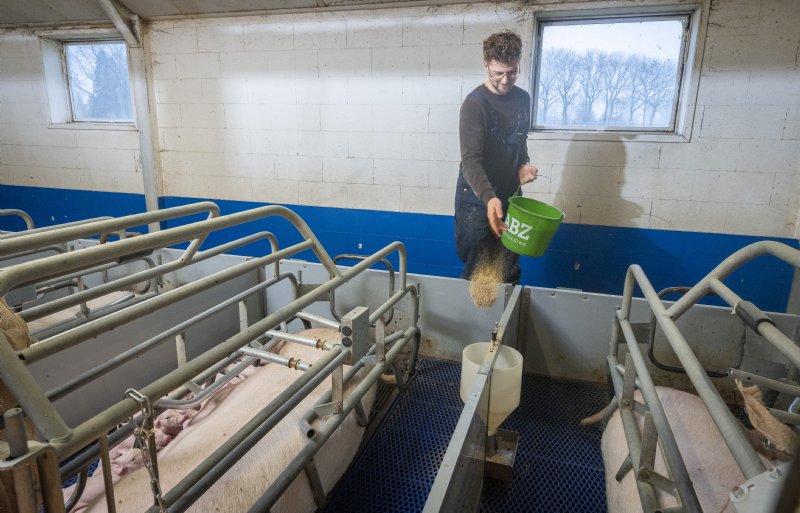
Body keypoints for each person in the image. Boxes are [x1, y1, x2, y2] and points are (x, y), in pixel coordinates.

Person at [455, 30, 538, 284]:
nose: (505, 80)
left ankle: (506, 323)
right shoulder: (475, 104)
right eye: (498, 73)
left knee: (508, 267)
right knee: (478, 270)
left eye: (511, 72)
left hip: (511, 195)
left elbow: (520, 141)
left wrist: (522, 164)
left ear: (518, 63)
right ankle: (475, 323)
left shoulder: (523, 99)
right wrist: (490, 198)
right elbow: (470, 160)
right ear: (486, 65)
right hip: (477, 197)